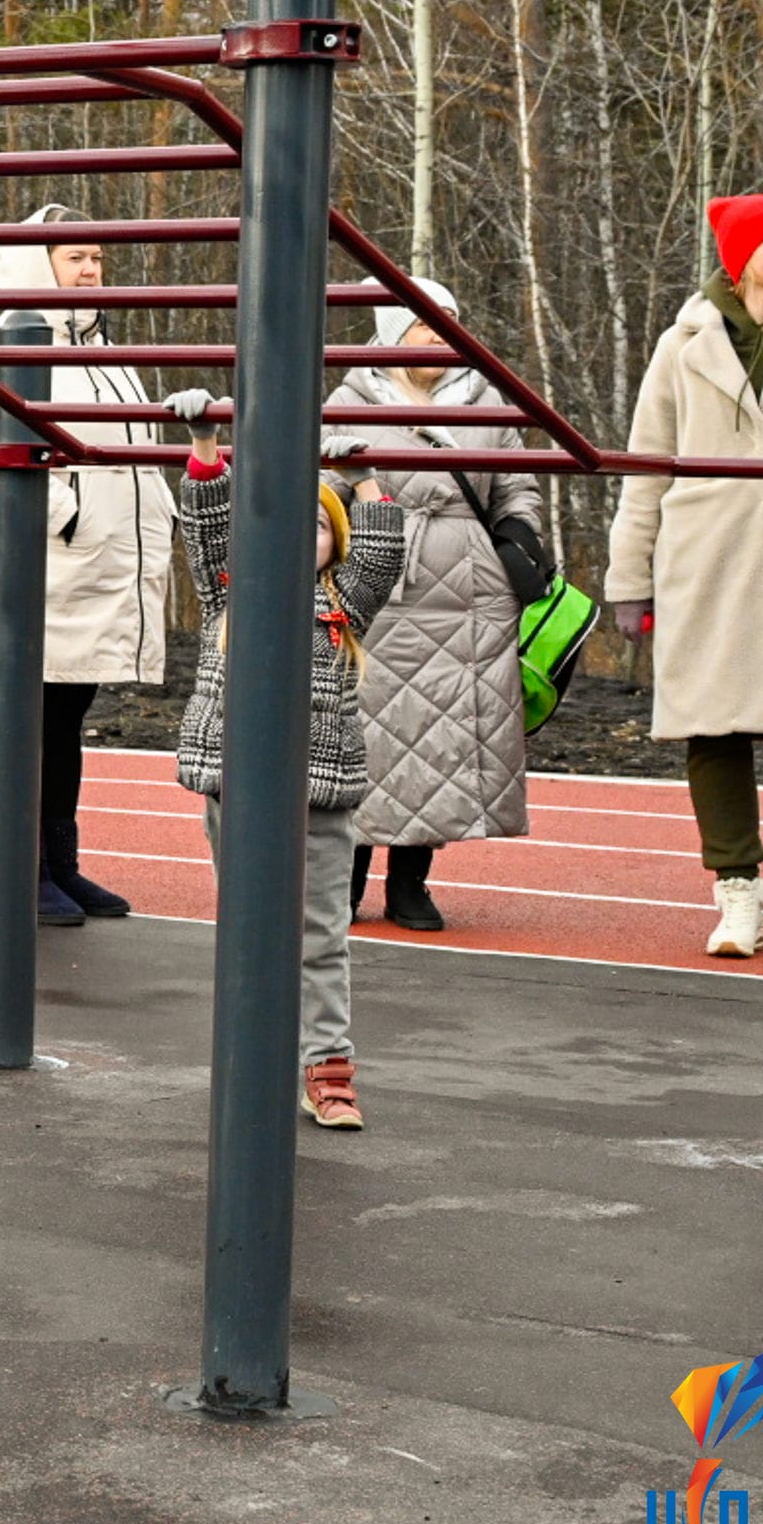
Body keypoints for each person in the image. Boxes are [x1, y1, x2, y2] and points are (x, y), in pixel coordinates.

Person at [163, 388, 406, 1130]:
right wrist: (206, 443)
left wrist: (362, 479)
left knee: (321, 936)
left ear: (336, 542)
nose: (302, 535)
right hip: (236, 788)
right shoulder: (228, 594)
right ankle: (256, 1055)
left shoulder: (341, 604)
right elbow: (208, 528)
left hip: (317, 795)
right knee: (248, 929)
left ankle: (327, 1069)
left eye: (319, 525)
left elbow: (382, 554)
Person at [605, 194, 763, 959]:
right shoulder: (684, 343)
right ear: (738, 255)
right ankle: (738, 892)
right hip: (710, 564)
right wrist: (629, 577)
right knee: (712, 733)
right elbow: (646, 464)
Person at [0, 205, 174, 927]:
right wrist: (69, 521)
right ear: (37, 264)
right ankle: (25, 868)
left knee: (67, 721)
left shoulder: (107, 352)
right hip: (48, 569)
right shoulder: (4, 340)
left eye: (97, 257)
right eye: (74, 257)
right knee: (31, 721)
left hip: (100, 572)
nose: (91, 270)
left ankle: (60, 864)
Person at [327, 282, 541, 931]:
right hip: (378, 587)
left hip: (471, 596)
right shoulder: (349, 402)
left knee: (440, 737)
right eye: (425, 323)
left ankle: (410, 884)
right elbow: (323, 492)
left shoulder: (487, 399)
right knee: (367, 734)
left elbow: (516, 487)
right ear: (394, 333)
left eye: (450, 321)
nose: (441, 333)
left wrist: (520, 541)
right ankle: (344, 881)